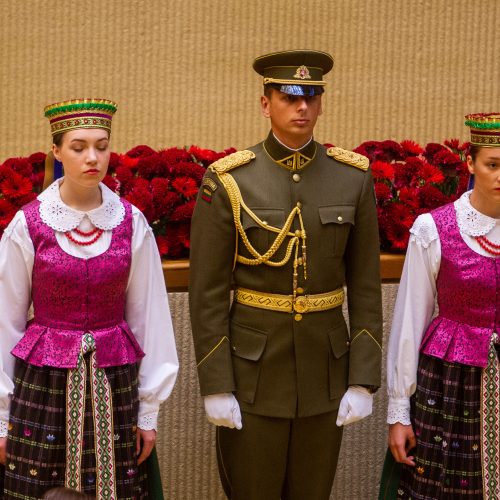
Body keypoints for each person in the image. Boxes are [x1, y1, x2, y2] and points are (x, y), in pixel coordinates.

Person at [189, 50, 383, 499]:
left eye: (312, 97)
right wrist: (216, 384)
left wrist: (362, 378)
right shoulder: (231, 180)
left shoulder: (351, 178)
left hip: (325, 375)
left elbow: (367, 287)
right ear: (265, 103)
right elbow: (208, 295)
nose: (302, 107)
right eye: (289, 96)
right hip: (253, 375)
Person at [0, 98, 179, 499]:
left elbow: (149, 317)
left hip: (113, 383)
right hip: (42, 386)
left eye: (101, 145)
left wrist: (148, 410)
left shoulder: (131, 223)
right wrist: (0, 417)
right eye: (79, 147)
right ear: (57, 151)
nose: (92, 157)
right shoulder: (29, 224)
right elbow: (4, 321)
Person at [386, 113, 500, 499]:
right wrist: (400, 410)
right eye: (493, 165)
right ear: (471, 163)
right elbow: (410, 319)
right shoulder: (434, 229)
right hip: (451, 386)